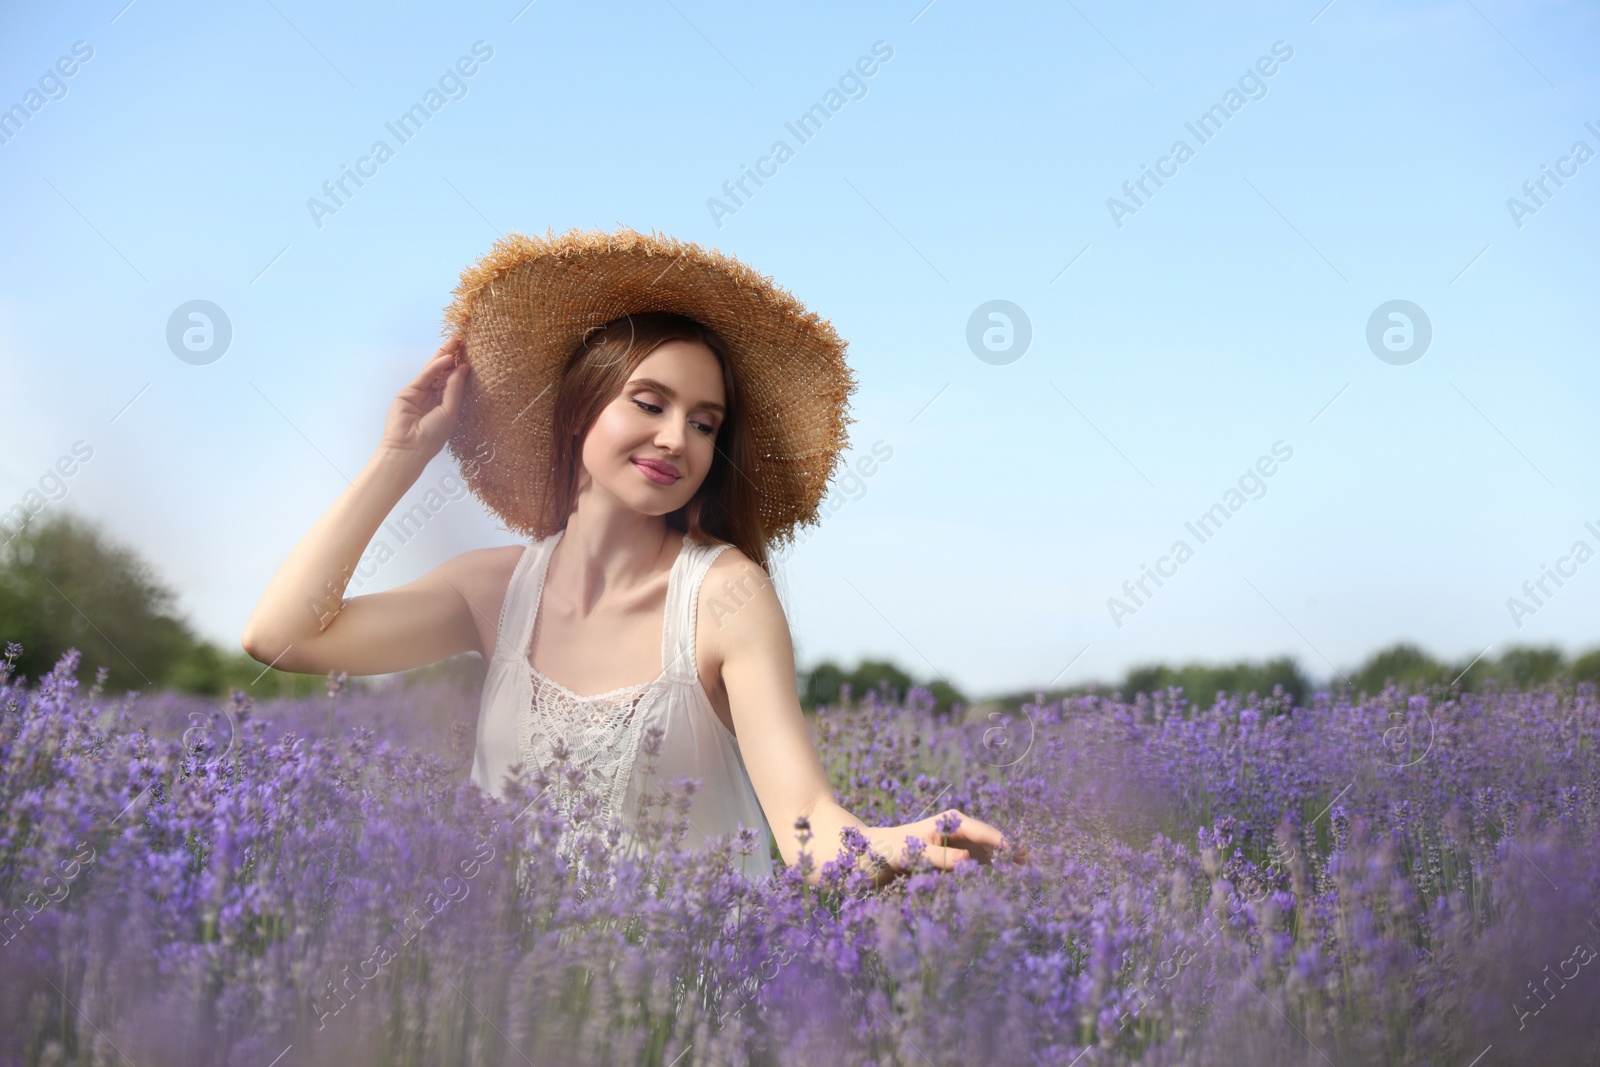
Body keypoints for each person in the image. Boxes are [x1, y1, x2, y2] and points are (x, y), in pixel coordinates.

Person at [242, 226, 1015, 886]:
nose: (677, 438)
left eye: (705, 423)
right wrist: (400, 458)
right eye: (649, 404)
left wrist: (893, 842)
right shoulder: (492, 589)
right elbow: (282, 637)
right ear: (580, 414)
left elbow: (806, 822)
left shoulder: (724, 597)